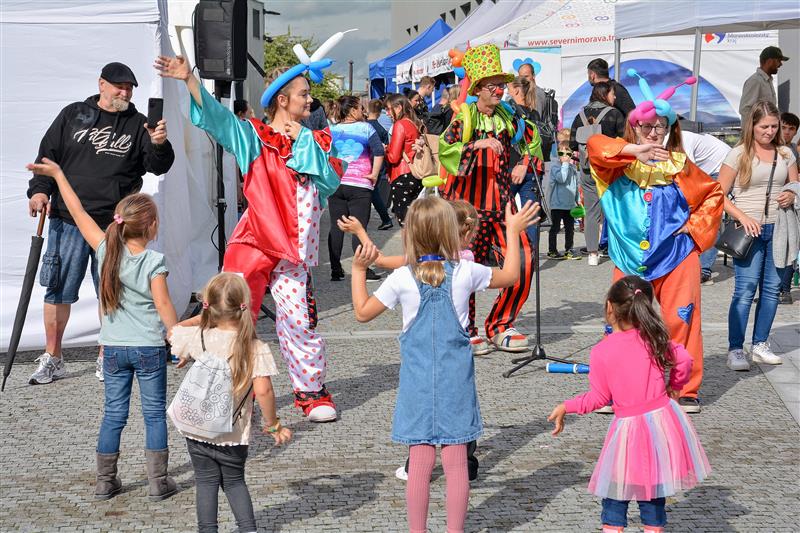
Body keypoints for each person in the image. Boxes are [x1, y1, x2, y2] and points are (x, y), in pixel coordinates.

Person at [156, 55, 344, 423]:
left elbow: (331, 183)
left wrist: (302, 140)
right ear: (282, 100)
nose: (310, 101)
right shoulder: (254, 137)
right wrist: (190, 81)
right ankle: (225, 391)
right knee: (232, 320)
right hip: (255, 242)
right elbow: (219, 121)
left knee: (299, 322)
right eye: (304, 94)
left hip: (294, 252)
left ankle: (310, 392)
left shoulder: (316, 141)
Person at [349, 196, 540, 533]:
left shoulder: (401, 278)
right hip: (456, 384)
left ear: (411, 235)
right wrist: (511, 231)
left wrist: (358, 270)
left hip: (416, 385)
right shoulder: (466, 271)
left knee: (420, 465)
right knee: (456, 466)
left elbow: (362, 313)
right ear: (451, 233)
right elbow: (512, 275)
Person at [28, 158, 179, 501]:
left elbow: (78, 211)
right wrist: (179, 339)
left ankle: (105, 481)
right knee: (154, 415)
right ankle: (158, 482)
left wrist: (59, 176)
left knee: (114, 415)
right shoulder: (154, 261)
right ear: (152, 225)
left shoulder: (105, 248)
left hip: (112, 349)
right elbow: (164, 306)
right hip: (148, 349)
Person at [26, 61, 174, 385]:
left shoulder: (139, 124)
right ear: (101, 84)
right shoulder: (73, 114)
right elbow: (46, 157)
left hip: (114, 224)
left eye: (130, 87)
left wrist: (159, 143)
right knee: (57, 290)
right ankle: (53, 357)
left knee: (111, 290)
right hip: (68, 219)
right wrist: (38, 192)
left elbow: (157, 166)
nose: (125, 92)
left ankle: (107, 355)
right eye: (119, 86)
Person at [586, 70, 724, 413]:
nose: (653, 132)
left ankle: (684, 388)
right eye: (646, 126)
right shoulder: (616, 165)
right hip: (629, 257)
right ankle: (618, 388)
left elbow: (712, 194)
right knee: (622, 320)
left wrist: (693, 231)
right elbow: (595, 146)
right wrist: (634, 150)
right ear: (634, 128)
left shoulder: (680, 165)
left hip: (677, 256)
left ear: (670, 128)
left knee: (682, 320)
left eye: (660, 126)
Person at [548, 275, 710, 533]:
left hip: (628, 431)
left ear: (610, 308)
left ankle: (613, 528)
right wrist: (676, 388)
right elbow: (685, 359)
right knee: (652, 488)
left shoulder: (602, 351)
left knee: (615, 488)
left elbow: (598, 398)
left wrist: (567, 406)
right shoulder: (656, 339)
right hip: (662, 422)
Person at [440, 43, 544, 353]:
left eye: (501, 84)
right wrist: (477, 146)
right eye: (493, 85)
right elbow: (446, 151)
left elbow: (534, 141)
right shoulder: (465, 118)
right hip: (465, 210)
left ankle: (500, 324)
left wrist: (525, 163)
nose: (500, 90)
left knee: (524, 260)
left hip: (501, 206)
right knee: (464, 268)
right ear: (479, 88)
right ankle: (464, 328)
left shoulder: (510, 117)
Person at [169, 273, 292, 533]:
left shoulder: (198, 336)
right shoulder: (254, 346)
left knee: (205, 482)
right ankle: (248, 529)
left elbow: (174, 330)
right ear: (243, 305)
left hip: (196, 428)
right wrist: (274, 425)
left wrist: (203, 317)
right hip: (232, 433)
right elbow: (264, 390)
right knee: (235, 482)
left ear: (209, 306)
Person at [719, 101, 798, 371]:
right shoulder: (738, 154)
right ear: (752, 125)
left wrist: (792, 193)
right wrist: (742, 216)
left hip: (780, 227)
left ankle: (761, 344)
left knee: (772, 291)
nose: (770, 131)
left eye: (774, 126)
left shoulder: (786, 153)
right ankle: (735, 348)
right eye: (764, 126)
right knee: (745, 291)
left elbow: (795, 184)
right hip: (748, 230)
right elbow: (718, 195)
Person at [570, 81, 627, 266]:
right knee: (616, 210)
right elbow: (625, 141)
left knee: (592, 212)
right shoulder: (615, 114)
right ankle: (618, 251)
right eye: (612, 93)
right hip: (611, 170)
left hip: (587, 168)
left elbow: (572, 144)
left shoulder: (580, 115)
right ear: (605, 94)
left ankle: (592, 254)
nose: (615, 97)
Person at [328, 96, 385, 282]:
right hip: (360, 183)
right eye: (360, 108)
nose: (363, 111)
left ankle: (336, 270)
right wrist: (374, 174)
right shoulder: (366, 128)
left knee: (336, 226)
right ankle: (363, 270)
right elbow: (378, 151)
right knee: (359, 227)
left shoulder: (330, 130)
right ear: (352, 110)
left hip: (336, 183)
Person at [679, 131, 733, 285]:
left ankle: (704, 269)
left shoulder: (682, 138)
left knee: (710, 219)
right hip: (707, 170)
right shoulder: (664, 138)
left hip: (719, 169)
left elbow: (688, 170)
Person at [508, 76, 544, 246]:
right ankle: (531, 259)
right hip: (534, 168)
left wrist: (522, 163)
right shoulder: (535, 113)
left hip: (514, 167)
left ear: (515, 90)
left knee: (503, 211)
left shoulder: (510, 112)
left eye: (508, 88)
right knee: (530, 217)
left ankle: (508, 256)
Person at [384, 94, 423, 225]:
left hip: (402, 175)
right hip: (415, 174)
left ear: (399, 108)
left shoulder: (400, 124)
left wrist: (385, 150)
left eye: (389, 109)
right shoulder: (414, 122)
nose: (387, 113)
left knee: (405, 221)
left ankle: (413, 246)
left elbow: (394, 157)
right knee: (413, 220)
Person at [778, 112, 800, 303]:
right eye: (783, 127)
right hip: (770, 205)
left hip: (790, 205)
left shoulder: (793, 151)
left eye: (791, 129)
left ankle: (784, 290)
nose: (787, 132)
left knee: (789, 247)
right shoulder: (767, 147)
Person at [517, 60, 557, 162]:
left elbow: (535, 122)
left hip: (536, 143)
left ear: (533, 76)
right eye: (521, 76)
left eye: (526, 76)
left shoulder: (536, 94)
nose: (523, 79)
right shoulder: (525, 92)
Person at [547, 142, 581, 260]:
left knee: (570, 228)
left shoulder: (572, 168)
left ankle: (569, 249)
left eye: (567, 153)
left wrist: (578, 200)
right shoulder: (555, 167)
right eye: (561, 153)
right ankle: (552, 250)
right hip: (557, 204)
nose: (564, 156)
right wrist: (565, 165)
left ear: (571, 154)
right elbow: (562, 178)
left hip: (570, 204)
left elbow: (575, 185)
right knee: (555, 227)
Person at [739, 46, 789, 122]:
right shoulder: (755, 81)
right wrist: (759, 127)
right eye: (779, 61)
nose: (780, 64)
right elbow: (745, 109)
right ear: (769, 61)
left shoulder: (766, 80)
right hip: (755, 133)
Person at [366, 99, 394, 230]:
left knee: (371, 193)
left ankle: (385, 218)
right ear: (379, 112)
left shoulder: (364, 127)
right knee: (372, 192)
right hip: (378, 163)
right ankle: (385, 218)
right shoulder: (382, 129)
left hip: (366, 163)